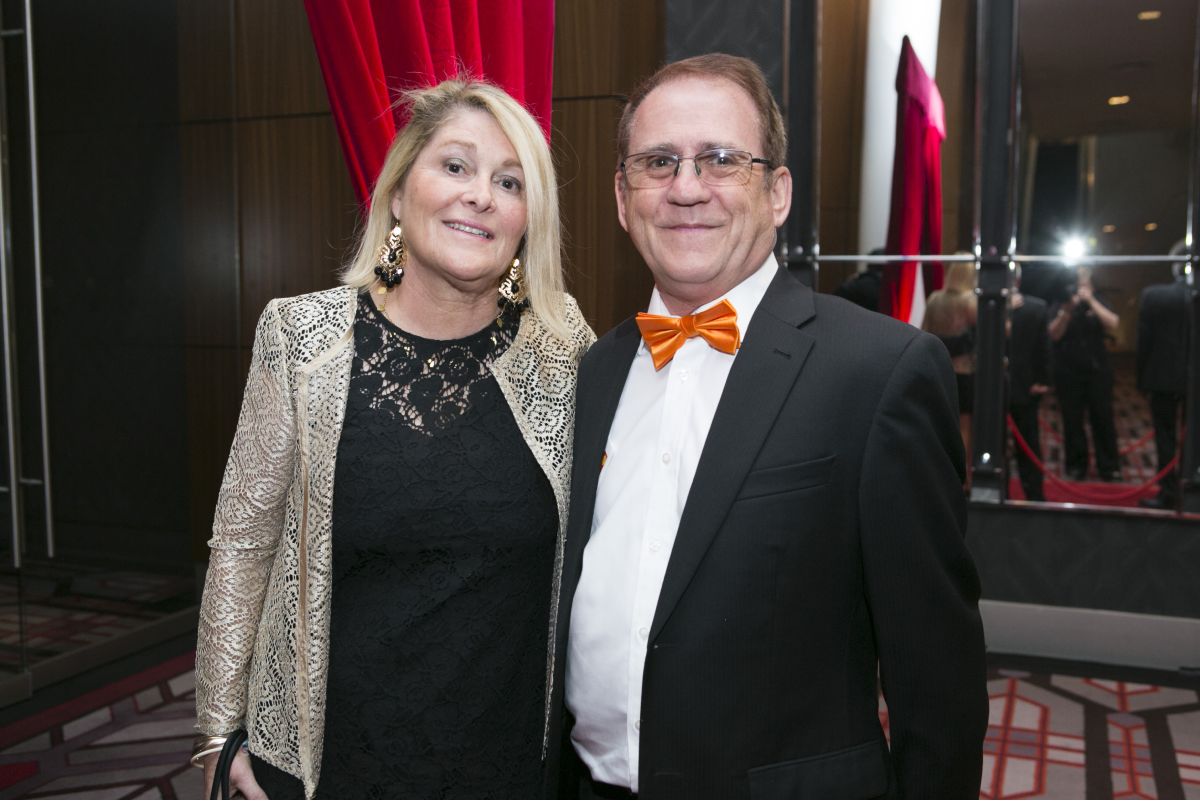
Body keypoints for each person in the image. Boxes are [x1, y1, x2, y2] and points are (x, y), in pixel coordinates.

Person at [548, 54, 987, 799]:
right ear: (623, 198)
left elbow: (936, 677)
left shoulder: (879, 372)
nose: (687, 188)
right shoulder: (597, 368)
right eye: (658, 162)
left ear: (777, 192)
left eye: (721, 159)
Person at [191, 77, 594, 799]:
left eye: (509, 182)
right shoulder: (302, 338)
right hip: (326, 766)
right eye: (456, 166)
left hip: (504, 770)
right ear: (399, 192)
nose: (480, 195)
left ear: (528, 219)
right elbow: (242, 544)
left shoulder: (563, 352)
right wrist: (218, 734)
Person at [1049, 266, 1121, 481]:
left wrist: (1091, 302)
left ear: (1092, 285)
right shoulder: (1062, 302)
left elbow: (1113, 324)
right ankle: (1076, 465)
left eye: (1085, 284)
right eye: (1078, 284)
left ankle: (1109, 466)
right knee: (1072, 421)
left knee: (1103, 419)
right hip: (1068, 372)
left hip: (1098, 371)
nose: (1081, 289)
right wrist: (1067, 311)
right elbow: (1053, 334)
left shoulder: (1099, 300)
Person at [1136, 244, 1190, 509]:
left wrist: (1141, 380)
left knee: (1165, 437)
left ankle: (1168, 493)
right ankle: (1192, 488)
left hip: (1162, 377)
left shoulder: (1154, 296)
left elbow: (1144, 343)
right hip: (1194, 379)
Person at [922, 260, 978, 466]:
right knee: (964, 427)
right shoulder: (970, 301)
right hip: (963, 371)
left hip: (937, 370)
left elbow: (924, 331)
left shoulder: (935, 299)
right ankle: (962, 475)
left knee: (937, 425)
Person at [1008, 265, 1052, 501]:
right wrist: (1042, 380)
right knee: (1028, 444)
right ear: (1018, 280)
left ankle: (1000, 492)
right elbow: (1043, 349)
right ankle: (1034, 495)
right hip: (1024, 386)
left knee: (998, 445)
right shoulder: (1037, 307)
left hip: (995, 387)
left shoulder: (983, 306)